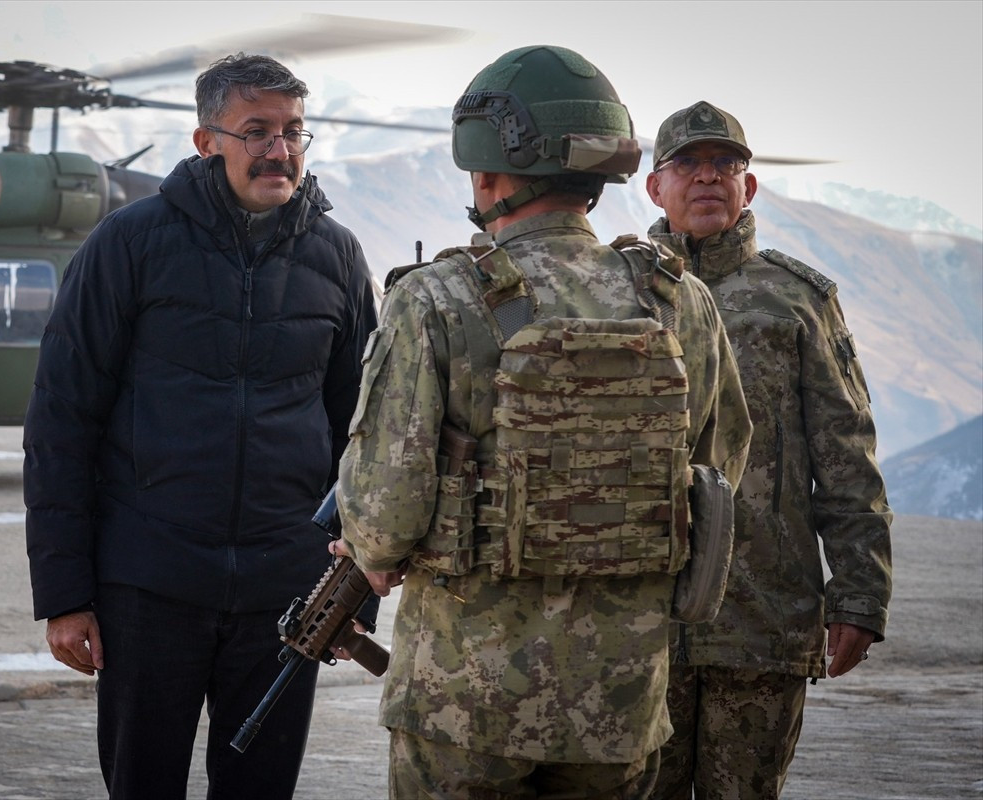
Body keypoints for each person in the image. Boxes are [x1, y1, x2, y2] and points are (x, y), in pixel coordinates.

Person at [334, 46, 752, 799]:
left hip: (466, 700)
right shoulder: (677, 299)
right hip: (619, 701)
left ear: (486, 172)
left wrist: (369, 546)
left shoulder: (436, 299)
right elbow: (716, 467)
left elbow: (386, 514)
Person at [23, 53, 376, 799]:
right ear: (206, 141)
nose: (278, 149)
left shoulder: (339, 257)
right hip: (149, 589)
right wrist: (64, 594)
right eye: (256, 131)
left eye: (292, 132)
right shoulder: (130, 244)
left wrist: (354, 591)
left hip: (284, 596)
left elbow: (363, 435)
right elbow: (62, 420)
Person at [643, 101, 894, 799]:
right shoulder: (618, 292)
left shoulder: (798, 300)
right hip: (636, 622)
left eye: (725, 164)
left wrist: (861, 594)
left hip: (762, 621)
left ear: (748, 187)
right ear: (654, 186)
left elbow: (846, 453)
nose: (707, 178)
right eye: (687, 164)